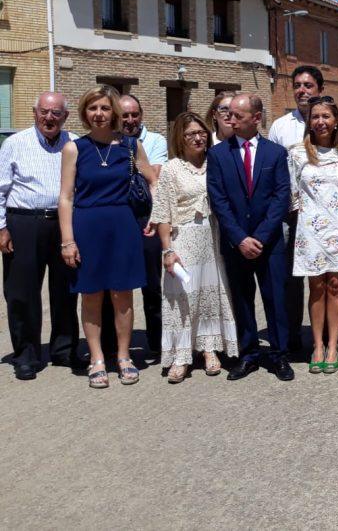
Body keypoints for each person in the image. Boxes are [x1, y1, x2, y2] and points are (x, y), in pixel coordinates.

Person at [59, 86, 157, 389]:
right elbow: (65, 197)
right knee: (90, 295)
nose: (98, 114)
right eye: (92, 108)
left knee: (122, 295)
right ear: (84, 113)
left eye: (103, 108)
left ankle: (124, 356)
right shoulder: (75, 148)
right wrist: (68, 241)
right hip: (87, 226)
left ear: (113, 111)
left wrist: (153, 216)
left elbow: (154, 181)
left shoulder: (130, 146)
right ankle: (97, 358)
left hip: (123, 225)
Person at [206, 93, 294, 382]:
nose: (230, 119)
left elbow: (281, 197)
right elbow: (218, 200)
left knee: (276, 300)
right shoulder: (218, 154)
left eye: (237, 115)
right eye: (228, 114)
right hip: (236, 245)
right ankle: (249, 354)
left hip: (269, 245)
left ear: (256, 118)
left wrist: (261, 236)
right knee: (242, 300)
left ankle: (280, 355)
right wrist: (240, 238)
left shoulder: (275, 154)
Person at [151, 112, 239, 383]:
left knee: (211, 294)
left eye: (201, 132)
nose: (198, 138)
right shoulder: (172, 169)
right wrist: (167, 249)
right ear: (181, 137)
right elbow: (163, 212)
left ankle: (209, 348)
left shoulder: (216, 163)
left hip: (211, 238)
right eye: (191, 134)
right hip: (183, 238)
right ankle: (181, 355)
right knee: (182, 296)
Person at [0, 92, 80, 380]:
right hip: (24, 223)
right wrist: (1, 228)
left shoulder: (74, 143)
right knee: (21, 292)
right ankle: (26, 354)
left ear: (65, 117)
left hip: (62, 224)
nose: (49, 118)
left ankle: (64, 350)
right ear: (35, 113)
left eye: (56, 113)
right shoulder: (15, 143)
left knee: (66, 290)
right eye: (44, 112)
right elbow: (0, 189)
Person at [287, 96, 338, 374]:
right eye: (315, 116)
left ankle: (334, 344)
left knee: (335, 287)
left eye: (326, 116)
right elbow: (292, 195)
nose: (321, 121)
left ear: (336, 120)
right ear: (308, 121)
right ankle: (317, 345)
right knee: (316, 287)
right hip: (311, 228)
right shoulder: (297, 153)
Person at [98, 94, 167, 363]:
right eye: (124, 115)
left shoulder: (152, 141)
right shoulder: (102, 142)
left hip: (143, 218)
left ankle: (158, 342)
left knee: (152, 283)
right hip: (112, 218)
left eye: (134, 115)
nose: (129, 120)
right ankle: (110, 344)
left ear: (141, 114)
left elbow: (155, 177)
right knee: (110, 284)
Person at [269, 65, 323, 360]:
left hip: (322, 214)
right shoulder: (281, 126)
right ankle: (291, 336)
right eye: (298, 86)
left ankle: (325, 339)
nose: (302, 91)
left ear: (319, 89)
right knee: (290, 278)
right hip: (290, 212)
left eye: (308, 86)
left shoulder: (331, 121)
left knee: (323, 276)